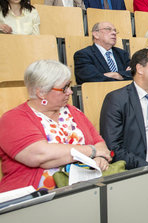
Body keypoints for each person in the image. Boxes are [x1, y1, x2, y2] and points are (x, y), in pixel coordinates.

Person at [0, 60, 112, 193]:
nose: (70, 92)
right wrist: (91, 152)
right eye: (64, 88)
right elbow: (41, 156)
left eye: (69, 85)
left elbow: (101, 145)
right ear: (41, 92)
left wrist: (100, 158)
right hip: (34, 195)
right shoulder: (13, 119)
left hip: (83, 189)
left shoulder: (73, 112)